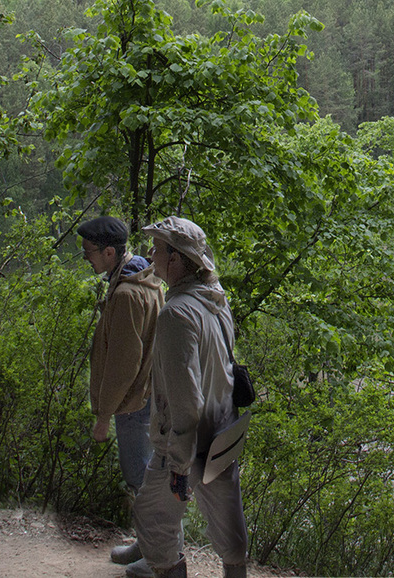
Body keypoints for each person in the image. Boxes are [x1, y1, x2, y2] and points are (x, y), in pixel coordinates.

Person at [131, 217, 248, 578]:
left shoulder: (176, 314)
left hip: (185, 446)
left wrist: (178, 466)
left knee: (154, 521)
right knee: (231, 534)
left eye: (158, 248)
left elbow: (185, 400)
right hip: (222, 434)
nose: (150, 254)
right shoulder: (216, 301)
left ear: (177, 259)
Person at [78, 216, 163, 573]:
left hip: (134, 402)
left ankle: (157, 556)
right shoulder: (143, 278)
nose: (87, 259)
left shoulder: (128, 293)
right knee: (145, 477)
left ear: (110, 252)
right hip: (146, 397)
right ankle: (145, 545)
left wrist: (102, 416)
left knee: (140, 480)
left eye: (90, 252)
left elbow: (123, 364)